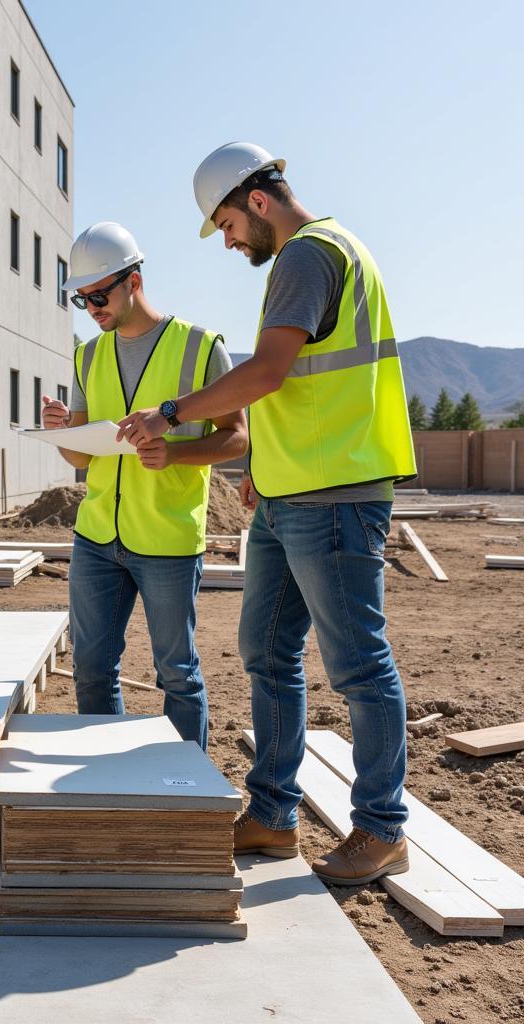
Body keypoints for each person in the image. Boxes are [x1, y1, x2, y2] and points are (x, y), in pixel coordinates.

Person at [116, 143, 417, 885]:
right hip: (291, 497)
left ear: (256, 200)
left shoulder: (307, 255)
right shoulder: (320, 253)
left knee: (358, 664)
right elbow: (299, 392)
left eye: (224, 223)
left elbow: (268, 372)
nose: (226, 241)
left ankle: (382, 827)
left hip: (337, 498)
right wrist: (261, 469)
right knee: (267, 652)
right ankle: (273, 816)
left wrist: (172, 413)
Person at [43, 222, 247, 749]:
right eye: (82, 299)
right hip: (96, 539)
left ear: (134, 280)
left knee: (177, 673)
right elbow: (80, 457)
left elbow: (237, 439)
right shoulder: (87, 355)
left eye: (99, 294)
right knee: (91, 670)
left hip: (167, 539)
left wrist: (173, 451)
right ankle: (108, 775)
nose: (91, 308)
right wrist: (61, 432)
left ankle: (184, 791)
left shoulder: (200, 348)